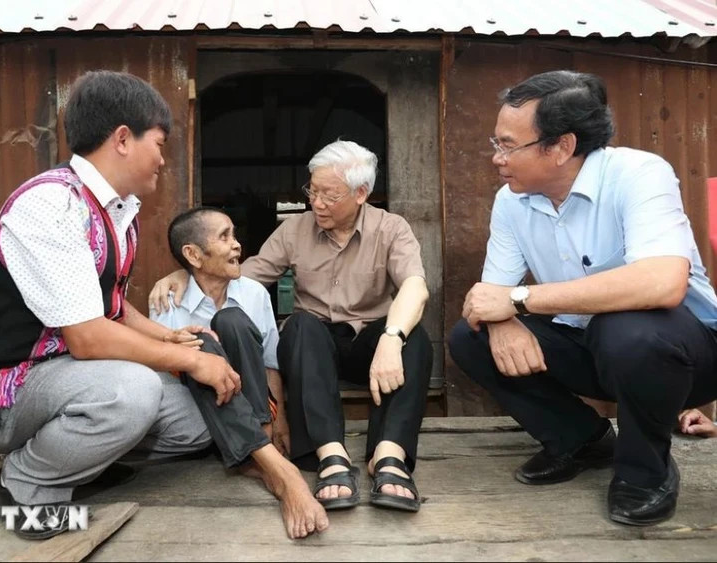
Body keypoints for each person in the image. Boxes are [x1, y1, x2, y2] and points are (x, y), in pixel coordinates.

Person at [0, 71, 249, 541]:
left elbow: (113, 307)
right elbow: (88, 338)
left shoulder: (119, 210)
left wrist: (171, 336)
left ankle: (82, 463)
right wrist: (188, 359)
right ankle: (22, 487)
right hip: (8, 389)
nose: (162, 159)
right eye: (159, 144)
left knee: (198, 421)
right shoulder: (52, 204)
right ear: (123, 139)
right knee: (132, 393)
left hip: (72, 379)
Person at [448, 70, 717, 527]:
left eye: (508, 146)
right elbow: (492, 297)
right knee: (470, 338)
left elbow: (663, 283)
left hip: (685, 360)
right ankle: (581, 440)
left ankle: (645, 472)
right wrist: (502, 320)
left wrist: (518, 300)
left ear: (561, 147)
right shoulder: (512, 202)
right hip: (595, 353)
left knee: (626, 327)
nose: (497, 158)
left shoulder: (638, 174)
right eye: (496, 144)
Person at [150, 140, 432, 512]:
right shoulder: (295, 230)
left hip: (371, 346)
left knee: (415, 338)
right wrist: (188, 272)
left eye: (329, 195)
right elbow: (240, 275)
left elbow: (415, 286)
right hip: (314, 353)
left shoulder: (390, 228)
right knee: (300, 326)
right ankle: (331, 457)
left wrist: (392, 339)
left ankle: (389, 457)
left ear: (361, 193)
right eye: (312, 191)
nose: (317, 203)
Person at [150, 206, 327, 537]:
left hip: (257, 411)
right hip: (201, 413)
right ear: (193, 255)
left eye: (234, 234)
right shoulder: (167, 300)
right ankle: (275, 469)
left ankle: (258, 449)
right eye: (224, 237)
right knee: (201, 342)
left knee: (231, 320)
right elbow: (165, 371)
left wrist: (279, 421)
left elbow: (270, 364)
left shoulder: (254, 293)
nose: (236, 244)